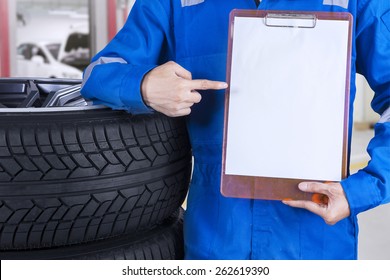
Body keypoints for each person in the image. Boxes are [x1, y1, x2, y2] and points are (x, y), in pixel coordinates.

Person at [81, 0, 390, 259]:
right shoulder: (177, 4)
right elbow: (99, 72)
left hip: (316, 237)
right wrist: (145, 85)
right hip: (217, 236)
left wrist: (362, 190)